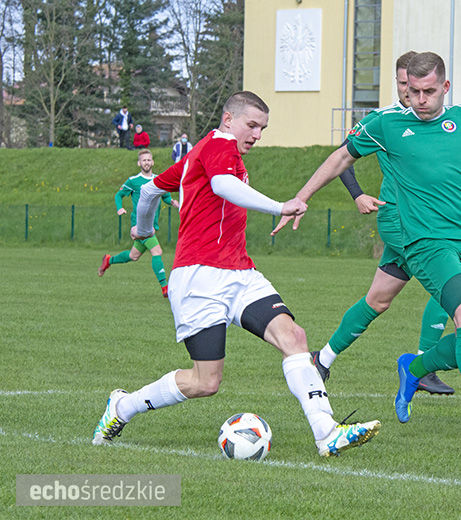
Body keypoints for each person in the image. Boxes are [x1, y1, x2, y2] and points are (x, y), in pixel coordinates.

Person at [273, 52, 461, 449]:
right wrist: (302, 196)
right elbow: (341, 156)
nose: (419, 99)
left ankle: (414, 367)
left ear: (445, 87)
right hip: (423, 241)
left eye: (429, 91)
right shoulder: (386, 123)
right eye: (412, 91)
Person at [92, 91, 381, 458]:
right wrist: (279, 207)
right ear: (229, 120)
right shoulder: (219, 145)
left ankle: (327, 432)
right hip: (199, 278)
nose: (258, 134)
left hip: (240, 273)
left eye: (262, 128)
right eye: (252, 125)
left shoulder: (203, 155)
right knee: (205, 382)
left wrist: (144, 228)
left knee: (293, 336)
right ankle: (122, 407)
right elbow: (222, 186)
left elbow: (149, 192)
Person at [309, 51, 455, 395]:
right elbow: (342, 156)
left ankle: (323, 359)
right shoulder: (386, 120)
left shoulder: (433, 120)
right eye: (404, 84)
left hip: (422, 222)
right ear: (397, 82)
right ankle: (421, 365)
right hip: (404, 223)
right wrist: (357, 193)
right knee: (453, 280)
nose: (410, 92)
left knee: (378, 299)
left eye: (415, 85)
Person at [98, 149, 179, 297]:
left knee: (133, 256)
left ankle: (109, 260)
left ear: (152, 162)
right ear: (139, 163)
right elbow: (119, 194)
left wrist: (172, 202)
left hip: (151, 225)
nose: (146, 163)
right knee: (157, 251)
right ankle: (165, 287)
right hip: (139, 225)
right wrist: (120, 208)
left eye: (149, 160)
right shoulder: (134, 181)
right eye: (144, 160)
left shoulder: (158, 179)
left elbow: (165, 196)